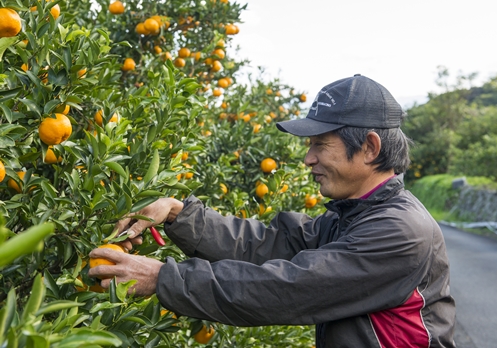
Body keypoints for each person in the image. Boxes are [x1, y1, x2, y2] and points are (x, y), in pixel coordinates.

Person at [89, 74, 456, 347]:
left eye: (320, 145)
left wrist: (162, 277)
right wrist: (178, 213)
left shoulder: (400, 230)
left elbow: (290, 288)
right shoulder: (354, 215)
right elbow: (269, 244)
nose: (308, 158)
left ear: (370, 148)